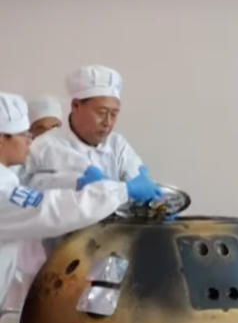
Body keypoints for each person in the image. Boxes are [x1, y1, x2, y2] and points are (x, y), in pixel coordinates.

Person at [0, 91, 162, 308]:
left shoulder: (117, 144)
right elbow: (51, 208)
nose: (30, 141)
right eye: (23, 134)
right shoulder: (7, 186)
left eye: (113, 113)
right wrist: (122, 190)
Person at [25, 65, 144, 190]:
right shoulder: (43, 147)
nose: (108, 122)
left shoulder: (117, 144)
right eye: (101, 112)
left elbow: (137, 180)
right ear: (76, 105)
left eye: (114, 114)